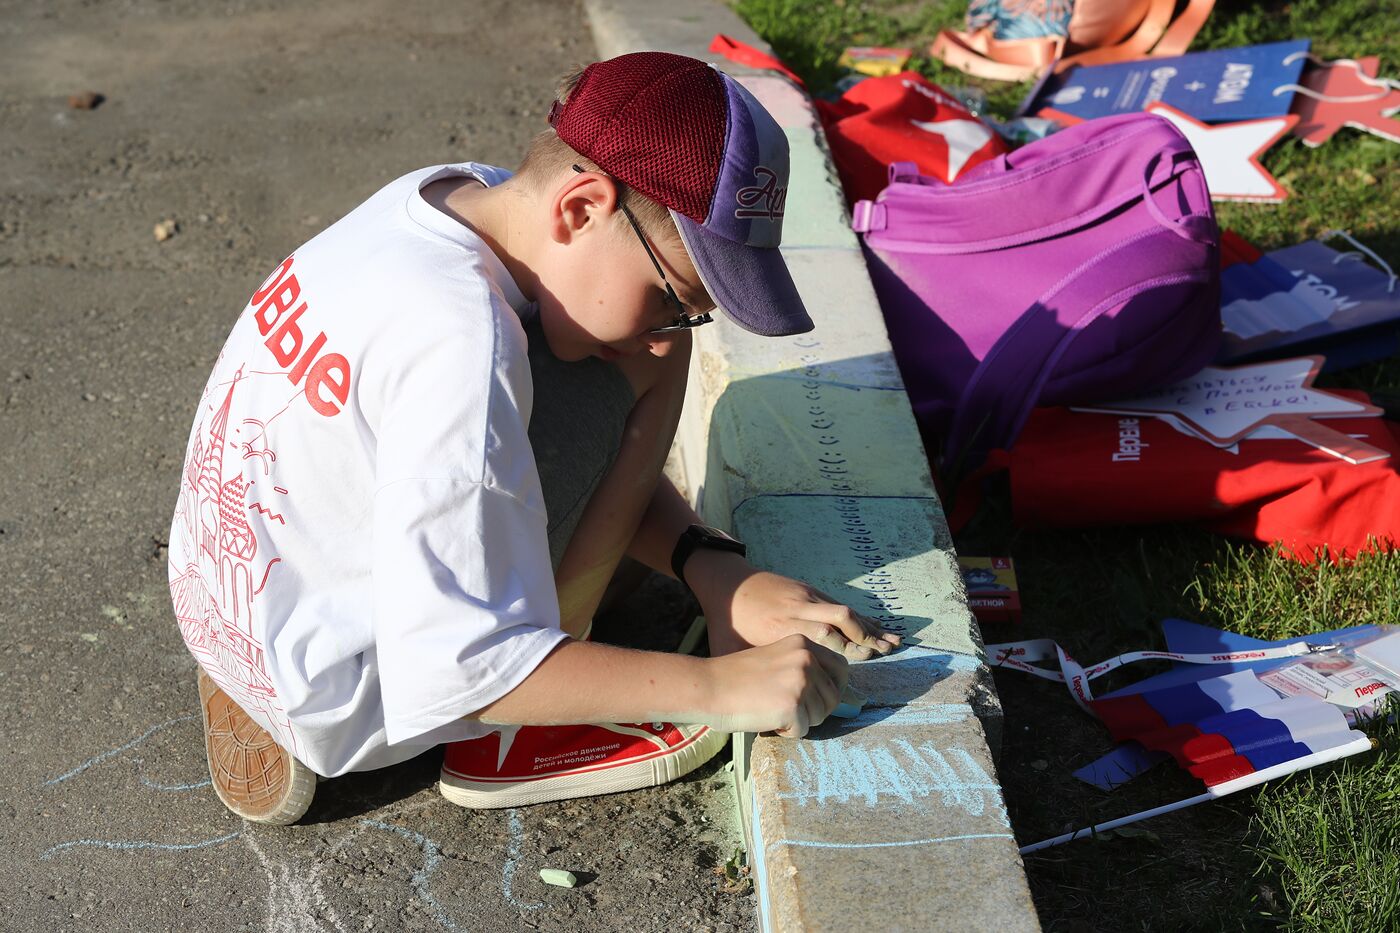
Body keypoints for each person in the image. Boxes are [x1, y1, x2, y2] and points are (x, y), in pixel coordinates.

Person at [169, 51, 899, 826]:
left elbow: (504, 453)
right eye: (675, 297)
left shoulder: (448, 198)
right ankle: (522, 731)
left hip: (234, 595)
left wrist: (709, 565)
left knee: (613, 354)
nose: (674, 321)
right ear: (581, 208)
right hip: (361, 690)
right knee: (652, 360)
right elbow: (461, 669)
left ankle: (269, 666)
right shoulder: (463, 344)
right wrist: (726, 688)